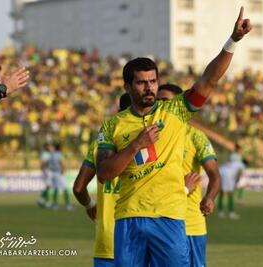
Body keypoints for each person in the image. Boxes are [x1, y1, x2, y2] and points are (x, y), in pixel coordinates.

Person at [96, 7, 251, 267]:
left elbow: (209, 80)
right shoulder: (112, 126)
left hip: (169, 217)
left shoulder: (175, 111)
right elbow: (104, 173)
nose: (149, 88)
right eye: (141, 82)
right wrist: (136, 145)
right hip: (128, 217)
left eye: (153, 81)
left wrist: (233, 41)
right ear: (127, 87)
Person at [157, 84, 222, 267]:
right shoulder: (149, 136)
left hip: (191, 224)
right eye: (158, 101)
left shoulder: (196, 137)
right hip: (160, 221)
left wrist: (209, 198)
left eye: (166, 101)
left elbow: (214, 175)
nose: (161, 105)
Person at [73, 93, 131, 267]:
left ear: (119, 111)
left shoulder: (100, 144)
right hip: (140, 239)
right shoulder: (151, 143)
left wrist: (90, 206)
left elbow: (78, 188)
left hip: (107, 241)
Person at [218, 144, 245, 219]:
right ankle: (231, 212)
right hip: (228, 175)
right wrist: (235, 183)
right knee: (230, 194)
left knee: (222, 193)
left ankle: (220, 212)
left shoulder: (232, 156)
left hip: (222, 170)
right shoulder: (241, 163)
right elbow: (239, 174)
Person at [48, 143, 72, 211]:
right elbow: (62, 163)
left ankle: (55, 205)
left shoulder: (52, 155)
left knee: (56, 189)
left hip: (53, 173)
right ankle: (68, 205)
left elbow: (49, 165)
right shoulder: (59, 154)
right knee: (65, 189)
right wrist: (63, 170)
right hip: (59, 173)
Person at [37, 143, 53, 208]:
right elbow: (42, 163)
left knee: (48, 187)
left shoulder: (49, 154)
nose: (51, 148)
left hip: (48, 171)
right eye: (49, 146)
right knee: (48, 186)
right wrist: (45, 171)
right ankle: (46, 202)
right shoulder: (45, 154)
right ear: (46, 147)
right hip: (46, 172)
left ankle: (41, 200)